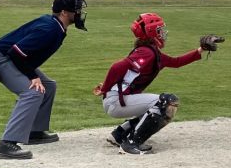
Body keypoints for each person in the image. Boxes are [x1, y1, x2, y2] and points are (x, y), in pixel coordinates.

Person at [93, 13, 223, 154]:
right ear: (151, 32)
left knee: (155, 107)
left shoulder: (152, 52)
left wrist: (201, 49)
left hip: (116, 99)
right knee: (165, 102)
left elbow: (176, 62)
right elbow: (117, 67)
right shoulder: (146, 53)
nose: (163, 33)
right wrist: (105, 88)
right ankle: (131, 144)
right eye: (160, 30)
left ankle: (119, 135)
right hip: (116, 102)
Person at [0, 0, 87, 159]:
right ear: (64, 13)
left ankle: (34, 131)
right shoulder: (50, 28)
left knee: (48, 86)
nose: (78, 13)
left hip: (11, 57)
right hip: (2, 58)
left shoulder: (56, 26)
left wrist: (33, 74)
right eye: (76, 10)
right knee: (32, 92)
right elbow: (16, 53)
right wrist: (32, 76)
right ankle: (7, 143)